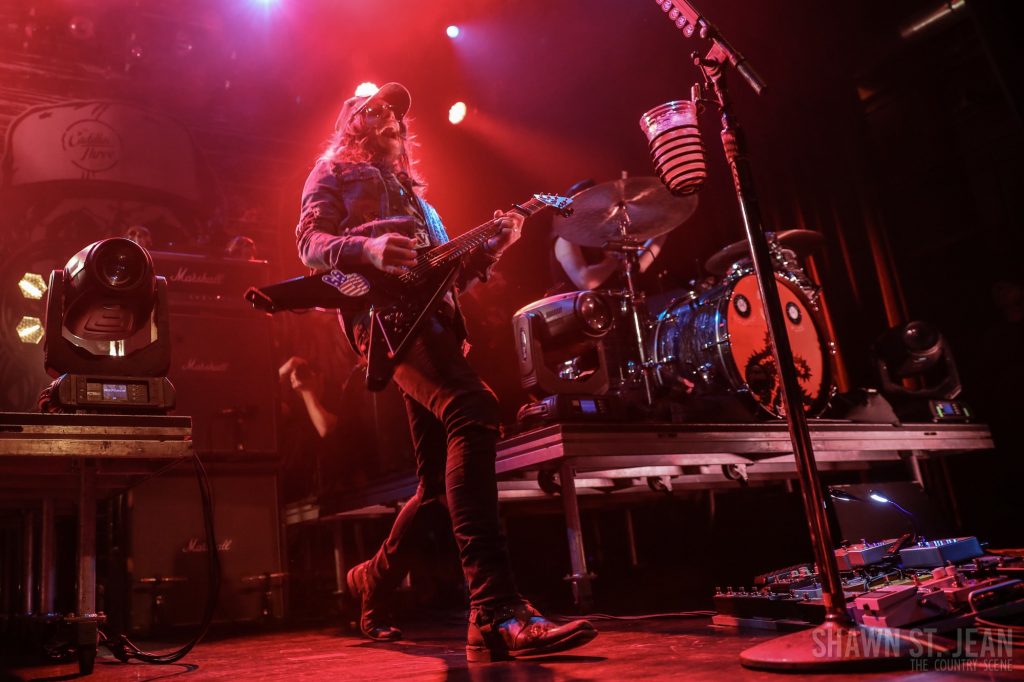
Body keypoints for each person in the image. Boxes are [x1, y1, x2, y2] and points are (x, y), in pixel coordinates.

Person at [294, 82, 597, 661]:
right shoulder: (331, 171)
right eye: (376, 109)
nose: (391, 119)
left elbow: (445, 278)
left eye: (397, 113)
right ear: (352, 122)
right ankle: (495, 609)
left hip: (434, 327)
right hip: (382, 321)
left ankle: (372, 580)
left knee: (435, 488)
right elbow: (309, 244)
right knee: (473, 410)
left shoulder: (424, 207)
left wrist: (493, 247)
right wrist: (368, 249)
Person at [549, 179, 666, 294]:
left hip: (613, 308)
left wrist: (662, 232)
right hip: (579, 311)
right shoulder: (564, 240)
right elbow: (587, 281)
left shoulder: (601, 236)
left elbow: (639, 266)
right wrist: (614, 260)